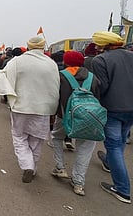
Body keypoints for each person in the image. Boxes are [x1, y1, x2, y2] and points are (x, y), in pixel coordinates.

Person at [3, 36, 60, 183]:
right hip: (43, 108)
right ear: (42, 48)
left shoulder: (16, 61)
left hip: (20, 106)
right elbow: (55, 88)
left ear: (28, 47)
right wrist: (52, 108)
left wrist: (10, 100)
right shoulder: (51, 63)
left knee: (19, 137)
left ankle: (27, 165)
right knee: (36, 140)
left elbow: (6, 81)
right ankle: (33, 169)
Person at [91, 31, 133, 204]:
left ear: (102, 45)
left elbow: (102, 86)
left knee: (114, 145)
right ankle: (108, 162)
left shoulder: (100, 60)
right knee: (122, 139)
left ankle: (122, 189)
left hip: (112, 108)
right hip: (131, 108)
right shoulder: (131, 56)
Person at [50, 51, 100, 196]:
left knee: (57, 137)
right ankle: (78, 182)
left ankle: (60, 167)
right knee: (85, 147)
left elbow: (55, 97)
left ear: (65, 62)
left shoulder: (60, 76)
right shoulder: (93, 77)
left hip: (64, 116)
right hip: (89, 117)